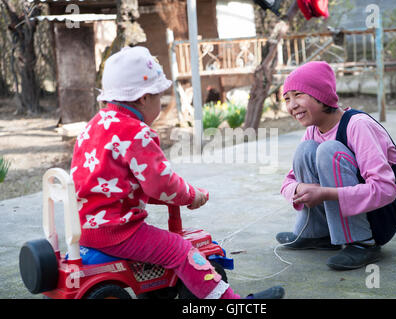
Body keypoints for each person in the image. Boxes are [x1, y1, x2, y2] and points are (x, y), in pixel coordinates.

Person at [70, 46, 284, 299]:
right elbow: (162, 184)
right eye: (159, 96)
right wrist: (191, 195)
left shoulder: (93, 127)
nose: (161, 103)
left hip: (86, 228)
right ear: (143, 98)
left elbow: (119, 184)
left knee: (160, 248)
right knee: (181, 251)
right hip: (119, 232)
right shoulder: (136, 132)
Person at [277, 61, 396, 270]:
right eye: (287, 98)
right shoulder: (313, 130)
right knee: (305, 150)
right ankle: (318, 234)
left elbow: (386, 190)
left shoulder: (358, 125)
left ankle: (361, 242)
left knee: (329, 151)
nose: (291, 105)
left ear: (321, 94)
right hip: (354, 207)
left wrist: (325, 193)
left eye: (298, 95)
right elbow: (287, 183)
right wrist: (299, 188)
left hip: (381, 216)